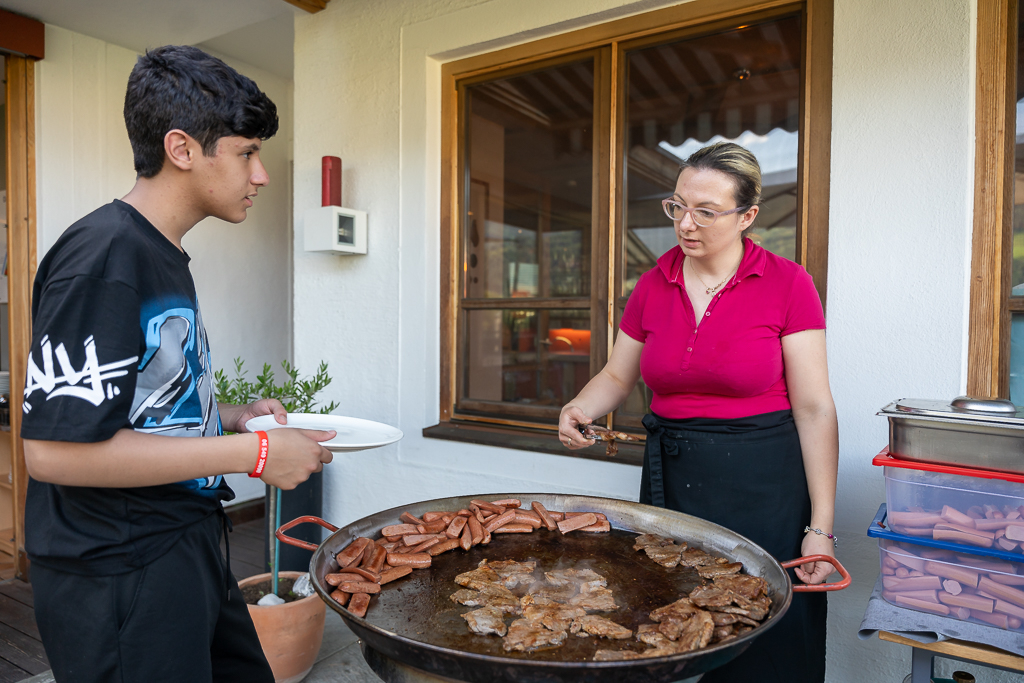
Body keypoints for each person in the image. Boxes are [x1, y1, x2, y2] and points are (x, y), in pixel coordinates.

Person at [21, 46, 335, 683]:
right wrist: (254, 457)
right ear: (183, 149)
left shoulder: (159, 252)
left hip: (181, 542)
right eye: (247, 152)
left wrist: (235, 417)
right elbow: (56, 452)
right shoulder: (106, 256)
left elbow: (138, 404)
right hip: (118, 570)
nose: (261, 175)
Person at [558, 142, 838, 682]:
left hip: (766, 482)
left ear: (747, 216)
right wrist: (578, 406)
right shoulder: (652, 282)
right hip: (674, 476)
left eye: (705, 212)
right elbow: (619, 375)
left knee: (768, 631)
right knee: (672, 616)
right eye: (677, 206)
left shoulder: (787, 283)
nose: (686, 224)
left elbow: (814, 407)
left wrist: (820, 529)